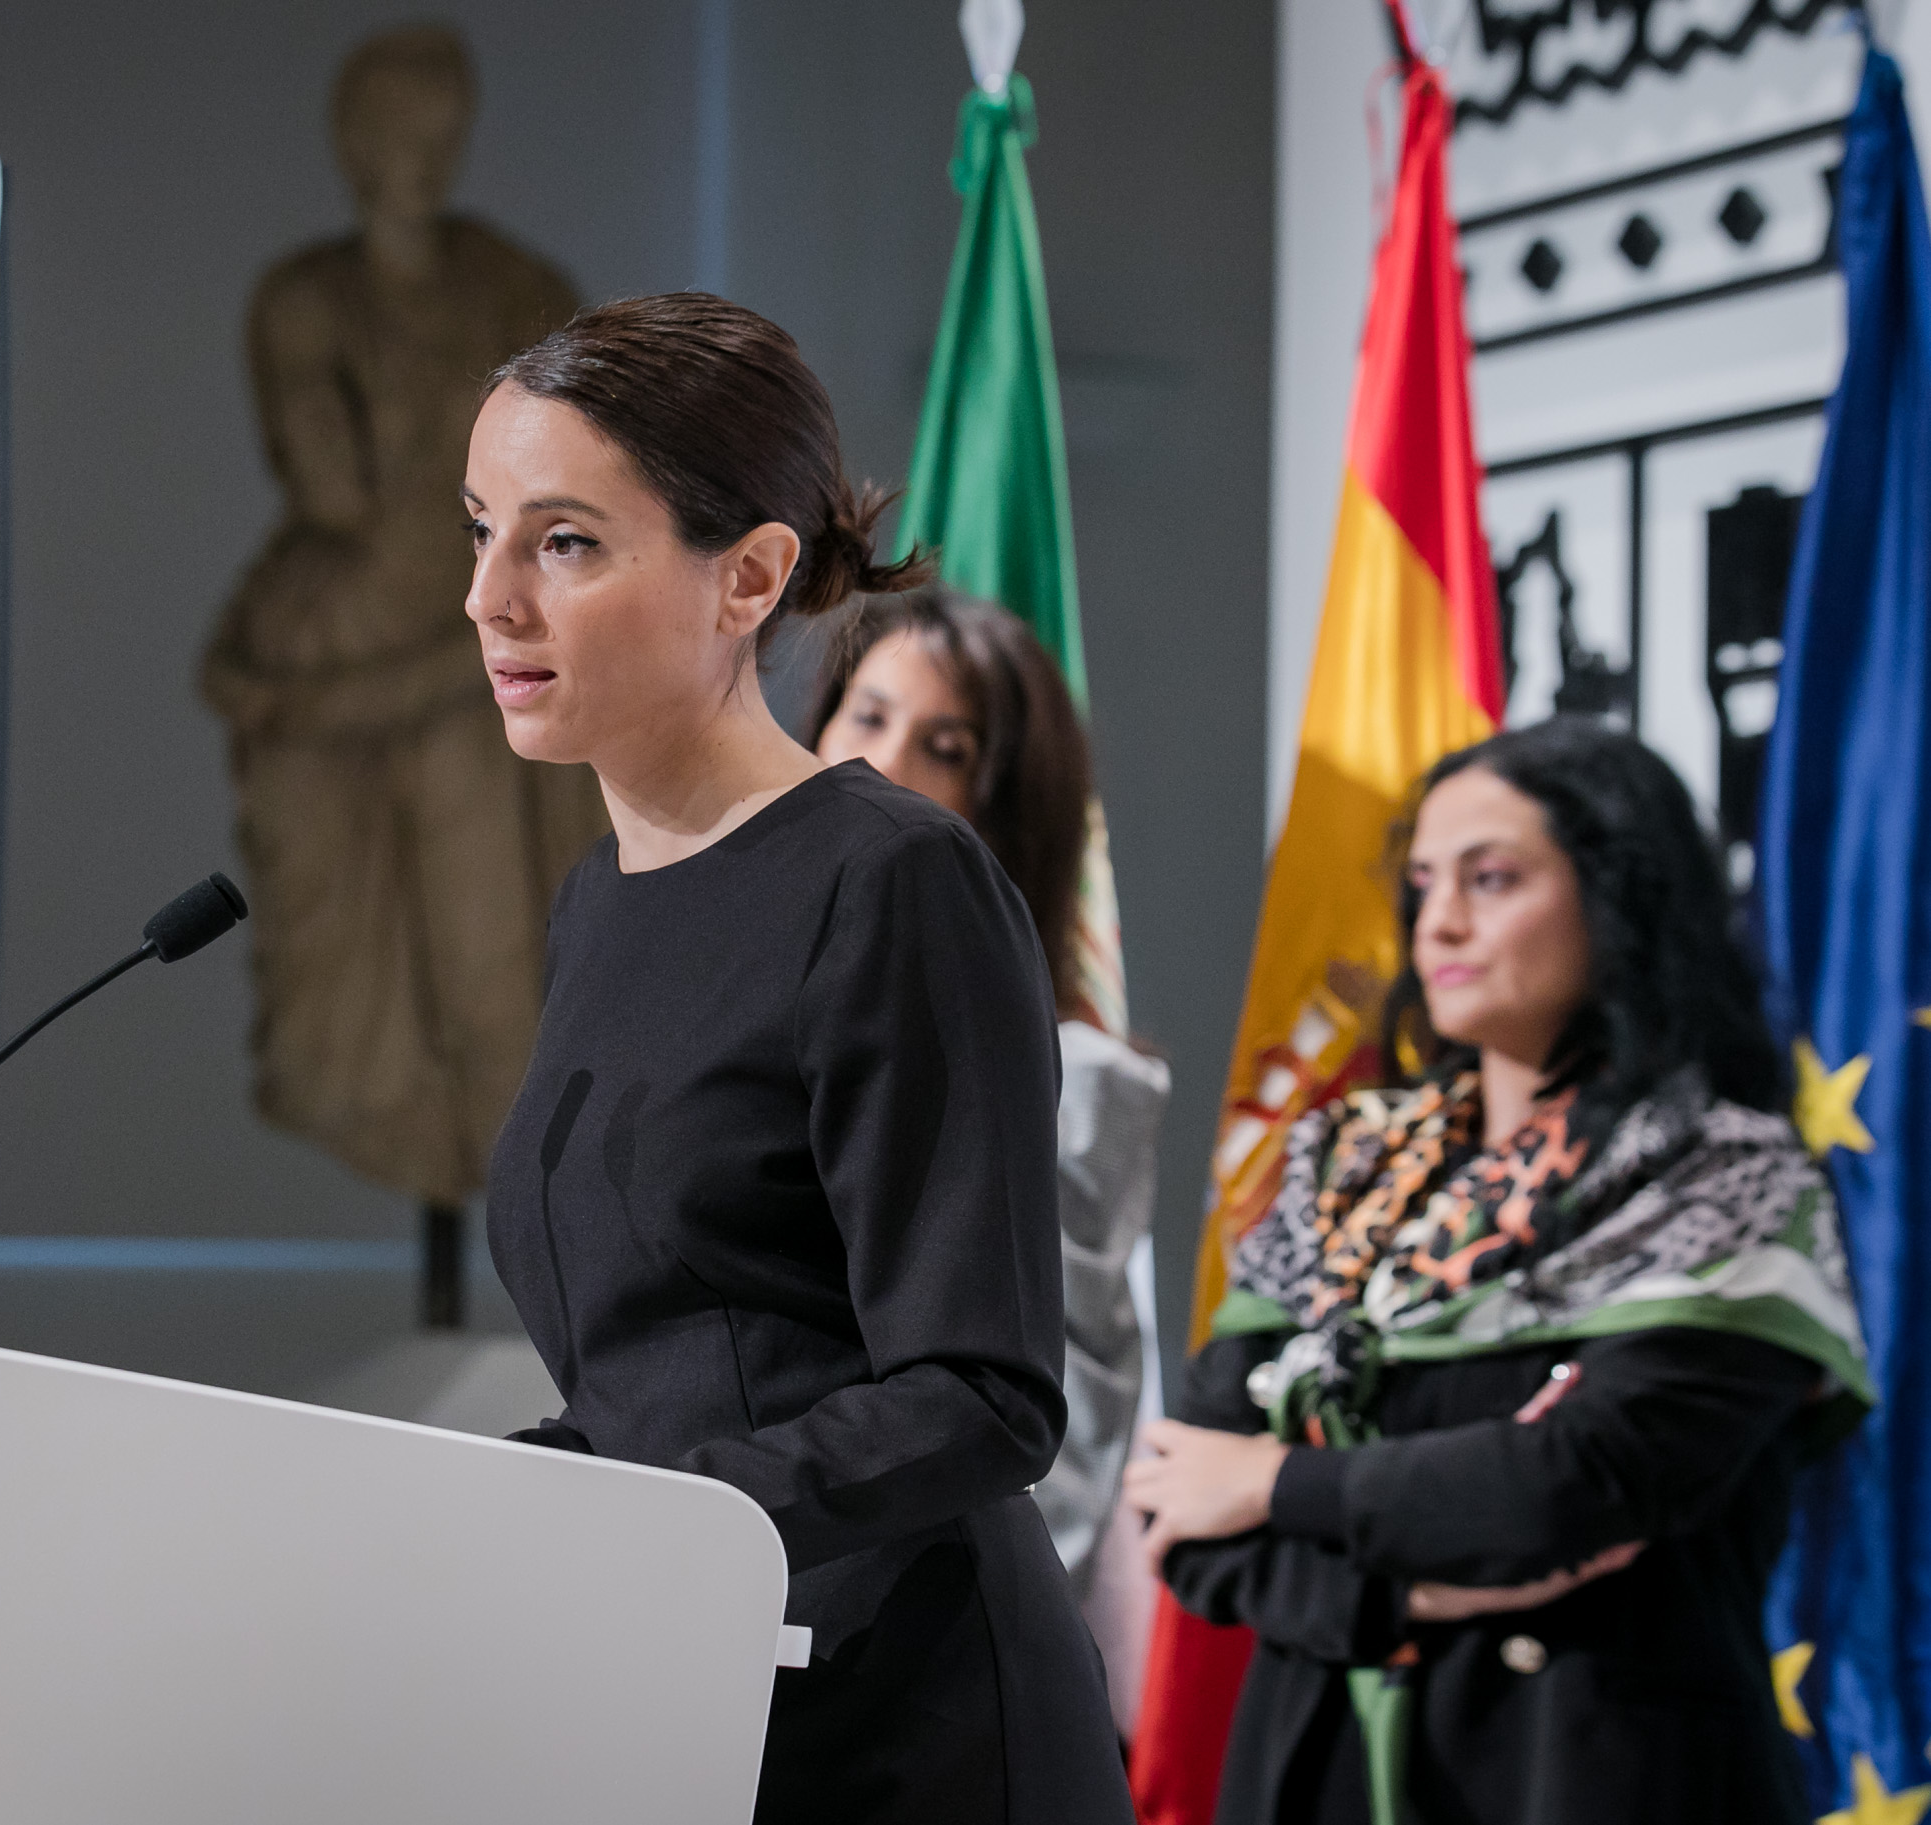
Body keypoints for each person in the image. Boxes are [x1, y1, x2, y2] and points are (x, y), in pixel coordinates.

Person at [471, 294, 1133, 1824]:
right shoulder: (596, 906)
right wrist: (478, 1503)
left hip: (912, 1731)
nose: (489, 599)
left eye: (562, 542)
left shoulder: (891, 880)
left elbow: (980, 1390)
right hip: (693, 1695)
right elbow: (671, 1367)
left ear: (750, 576)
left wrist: (647, 1517)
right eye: (480, 529)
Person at [1123, 718, 1870, 1825]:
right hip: (1310, 1769)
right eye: (1423, 882)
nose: (1441, 920)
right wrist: (1413, 1582)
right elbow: (1182, 1503)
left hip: (1590, 1775)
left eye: (1492, 877)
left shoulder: (1727, 1180)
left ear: (1621, 898)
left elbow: (1569, 1483)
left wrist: (1275, 1483)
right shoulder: (1345, 1163)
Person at [201, 25, 605, 1240]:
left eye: (440, 133)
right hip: (379, 644)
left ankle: (542, 1251)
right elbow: (330, 499)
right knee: (354, 1007)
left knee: (495, 974)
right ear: (350, 142)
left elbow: (586, 478)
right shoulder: (305, 304)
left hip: (488, 669)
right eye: (392, 134)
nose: (419, 158)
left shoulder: (518, 288)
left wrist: (473, 629)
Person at [806, 588, 1169, 1591]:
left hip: (909, 1625)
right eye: (867, 715)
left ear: (1004, 806)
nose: (882, 765)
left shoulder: (1071, 1075)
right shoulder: (726, 985)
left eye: (945, 746)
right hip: (700, 1583)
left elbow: (1056, 1436)